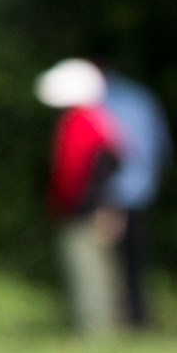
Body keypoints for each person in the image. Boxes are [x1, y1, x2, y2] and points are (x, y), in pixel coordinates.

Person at [37, 59, 125, 337]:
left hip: (82, 212)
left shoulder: (80, 123)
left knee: (89, 275)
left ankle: (96, 334)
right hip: (95, 208)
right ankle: (104, 331)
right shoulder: (98, 120)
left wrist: (73, 206)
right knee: (101, 273)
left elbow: (72, 174)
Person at [96, 66, 171, 330]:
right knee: (136, 260)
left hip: (112, 193)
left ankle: (117, 322)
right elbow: (162, 145)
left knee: (107, 261)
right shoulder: (142, 97)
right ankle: (139, 319)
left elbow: (105, 149)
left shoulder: (101, 103)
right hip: (143, 189)